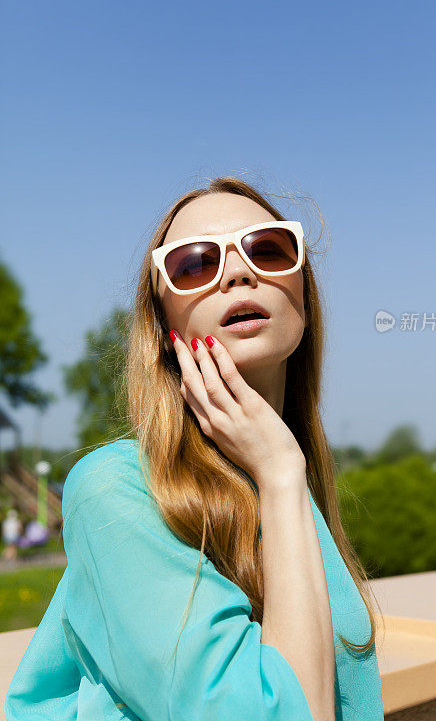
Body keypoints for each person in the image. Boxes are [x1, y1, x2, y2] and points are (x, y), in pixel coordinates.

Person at [4, 176, 385, 720]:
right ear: (163, 326)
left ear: (303, 293)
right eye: (194, 264)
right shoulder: (117, 489)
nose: (237, 271)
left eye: (268, 248)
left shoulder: (290, 485)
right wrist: (279, 471)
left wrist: (280, 473)